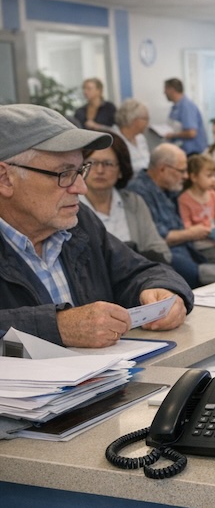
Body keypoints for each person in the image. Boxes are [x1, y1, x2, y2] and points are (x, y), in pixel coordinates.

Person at [0, 104, 191, 348]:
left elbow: (137, 271)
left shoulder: (79, 223)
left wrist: (163, 291)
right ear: (5, 179)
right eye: (64, 174)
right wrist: (57, 327)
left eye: (80, 171)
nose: (81, 188)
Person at [127, 143, 215, 288]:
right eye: (182, 171)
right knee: (212, 273)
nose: (185, 176)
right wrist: (191, 233)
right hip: (166, 257)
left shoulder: (169, 187)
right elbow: (158, 238)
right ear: (163, 169)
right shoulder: (138, 192)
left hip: (189, 249)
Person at [80, 132, 172, 265]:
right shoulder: (72, 206)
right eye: (92, 163)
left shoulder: (134, 203)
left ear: (121, 170)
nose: (99, 170)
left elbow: (161, 251)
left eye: (108, 163)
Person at [178, 154, 215, 263]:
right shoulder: (184, 199)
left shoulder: (213, 194)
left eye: (214, 176)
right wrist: (201, 230)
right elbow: (186, 226)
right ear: (193, 177)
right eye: (209, 176)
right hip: (202, 245)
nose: (214, 180)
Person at [163, 77, 208, 156]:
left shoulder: (186, 106)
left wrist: (172, 135)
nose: (164, 93)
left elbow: (191, 133)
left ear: (171, 90)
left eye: (165, 89)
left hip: (193, 154)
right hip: (181, 152)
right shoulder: (175, 107)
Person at [113, 98, 151, 173]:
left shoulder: (140, 138)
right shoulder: (115, 141)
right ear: (133, 119)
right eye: (145, 119)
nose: (148, 123)